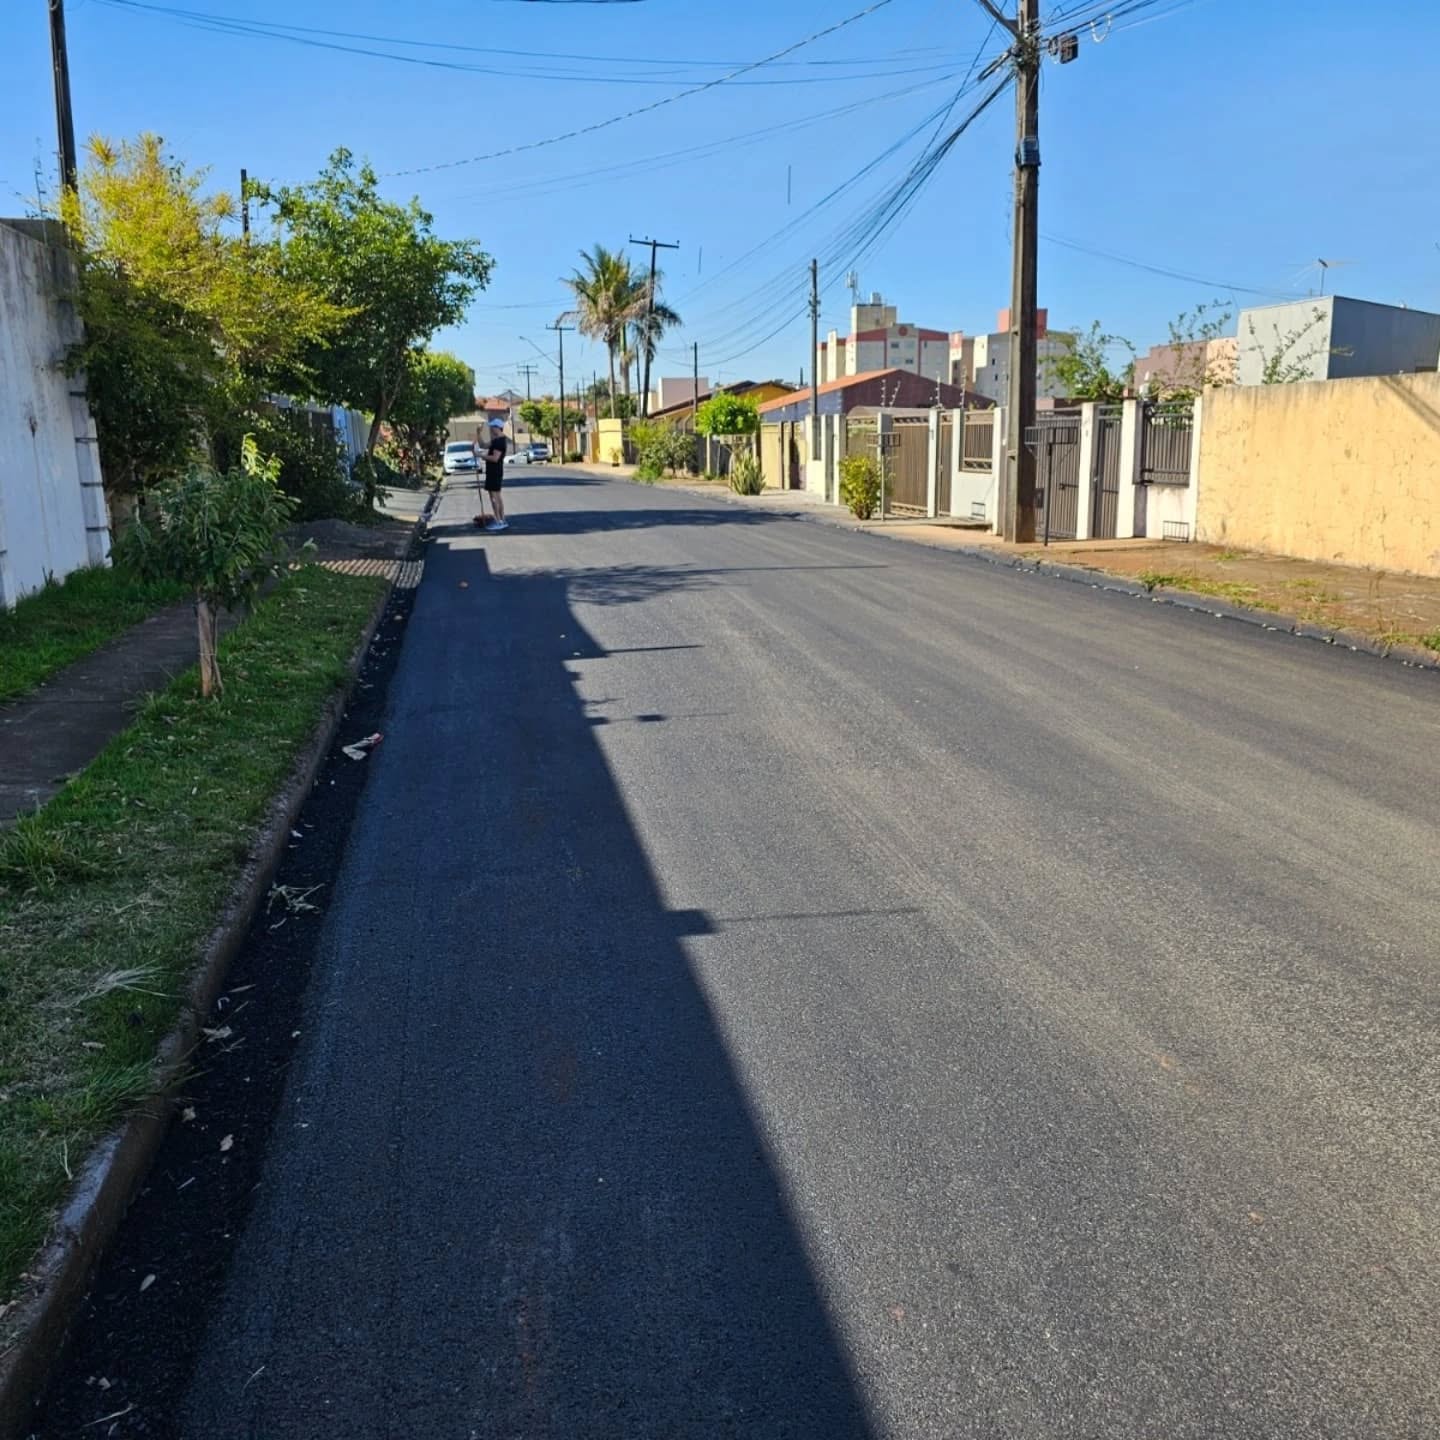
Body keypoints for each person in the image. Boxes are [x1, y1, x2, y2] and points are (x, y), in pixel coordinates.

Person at [476, 418, 509, 531]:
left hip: (495, 471)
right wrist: (478, 433)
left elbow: (495, 458)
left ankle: (499, 521)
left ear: (497, 428)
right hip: (493, 471)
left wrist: (480, 456)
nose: (491, 429)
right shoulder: (496, 440)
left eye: (492, 427)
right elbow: (483, 445)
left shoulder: (499, 442)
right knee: (495, 496)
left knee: (495, 497)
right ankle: (501, 520)